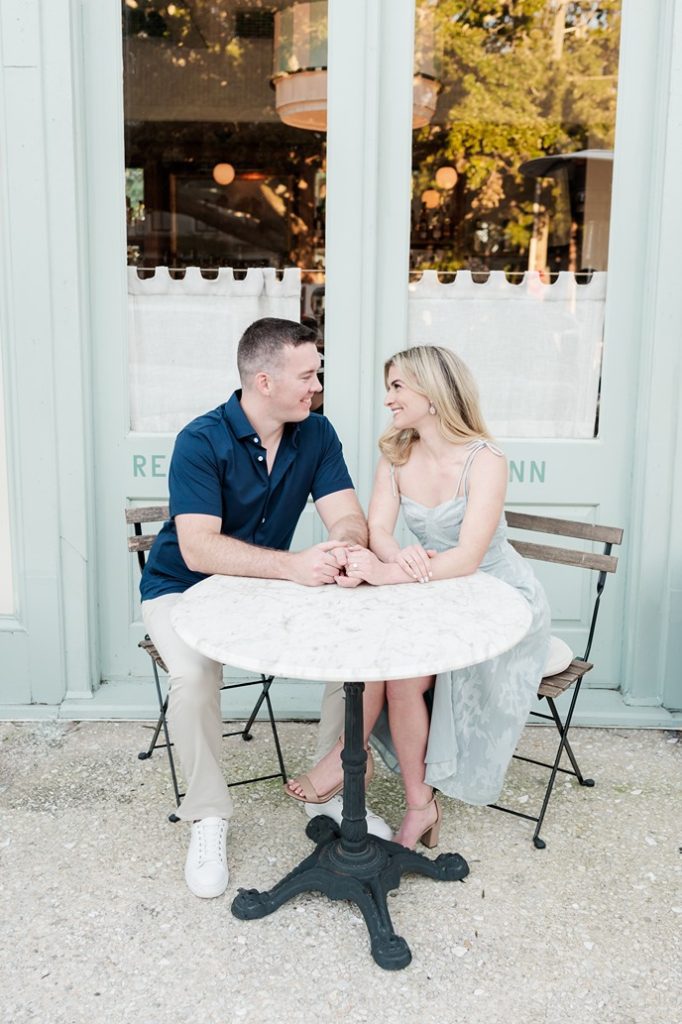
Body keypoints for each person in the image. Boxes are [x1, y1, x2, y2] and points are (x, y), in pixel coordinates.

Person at [140, 317, 389, 901]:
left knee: (351, 642)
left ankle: (332, 794)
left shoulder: (317, 434)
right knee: (194, 673)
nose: (315, 387)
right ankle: (207, 817)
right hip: (181, 588)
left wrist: (348, 549)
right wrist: (292, 566)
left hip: (266, 584)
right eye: (306, 375)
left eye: (317, 374)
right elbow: (198, 548)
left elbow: (346, 514)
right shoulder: (200, 440)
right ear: (263, 380)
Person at [285, 345, 550, 850]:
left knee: (402, 665)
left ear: (433, 391)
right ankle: (417, 805)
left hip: (494, 598)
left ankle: (351, 756)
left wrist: (392, 575)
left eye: (397, 387)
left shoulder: (485, 460)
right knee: (394, 663)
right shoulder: (397, 453)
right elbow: (379, 528)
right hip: (431, 589)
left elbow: (469, 557)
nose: (388, 399)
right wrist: (394, 557)